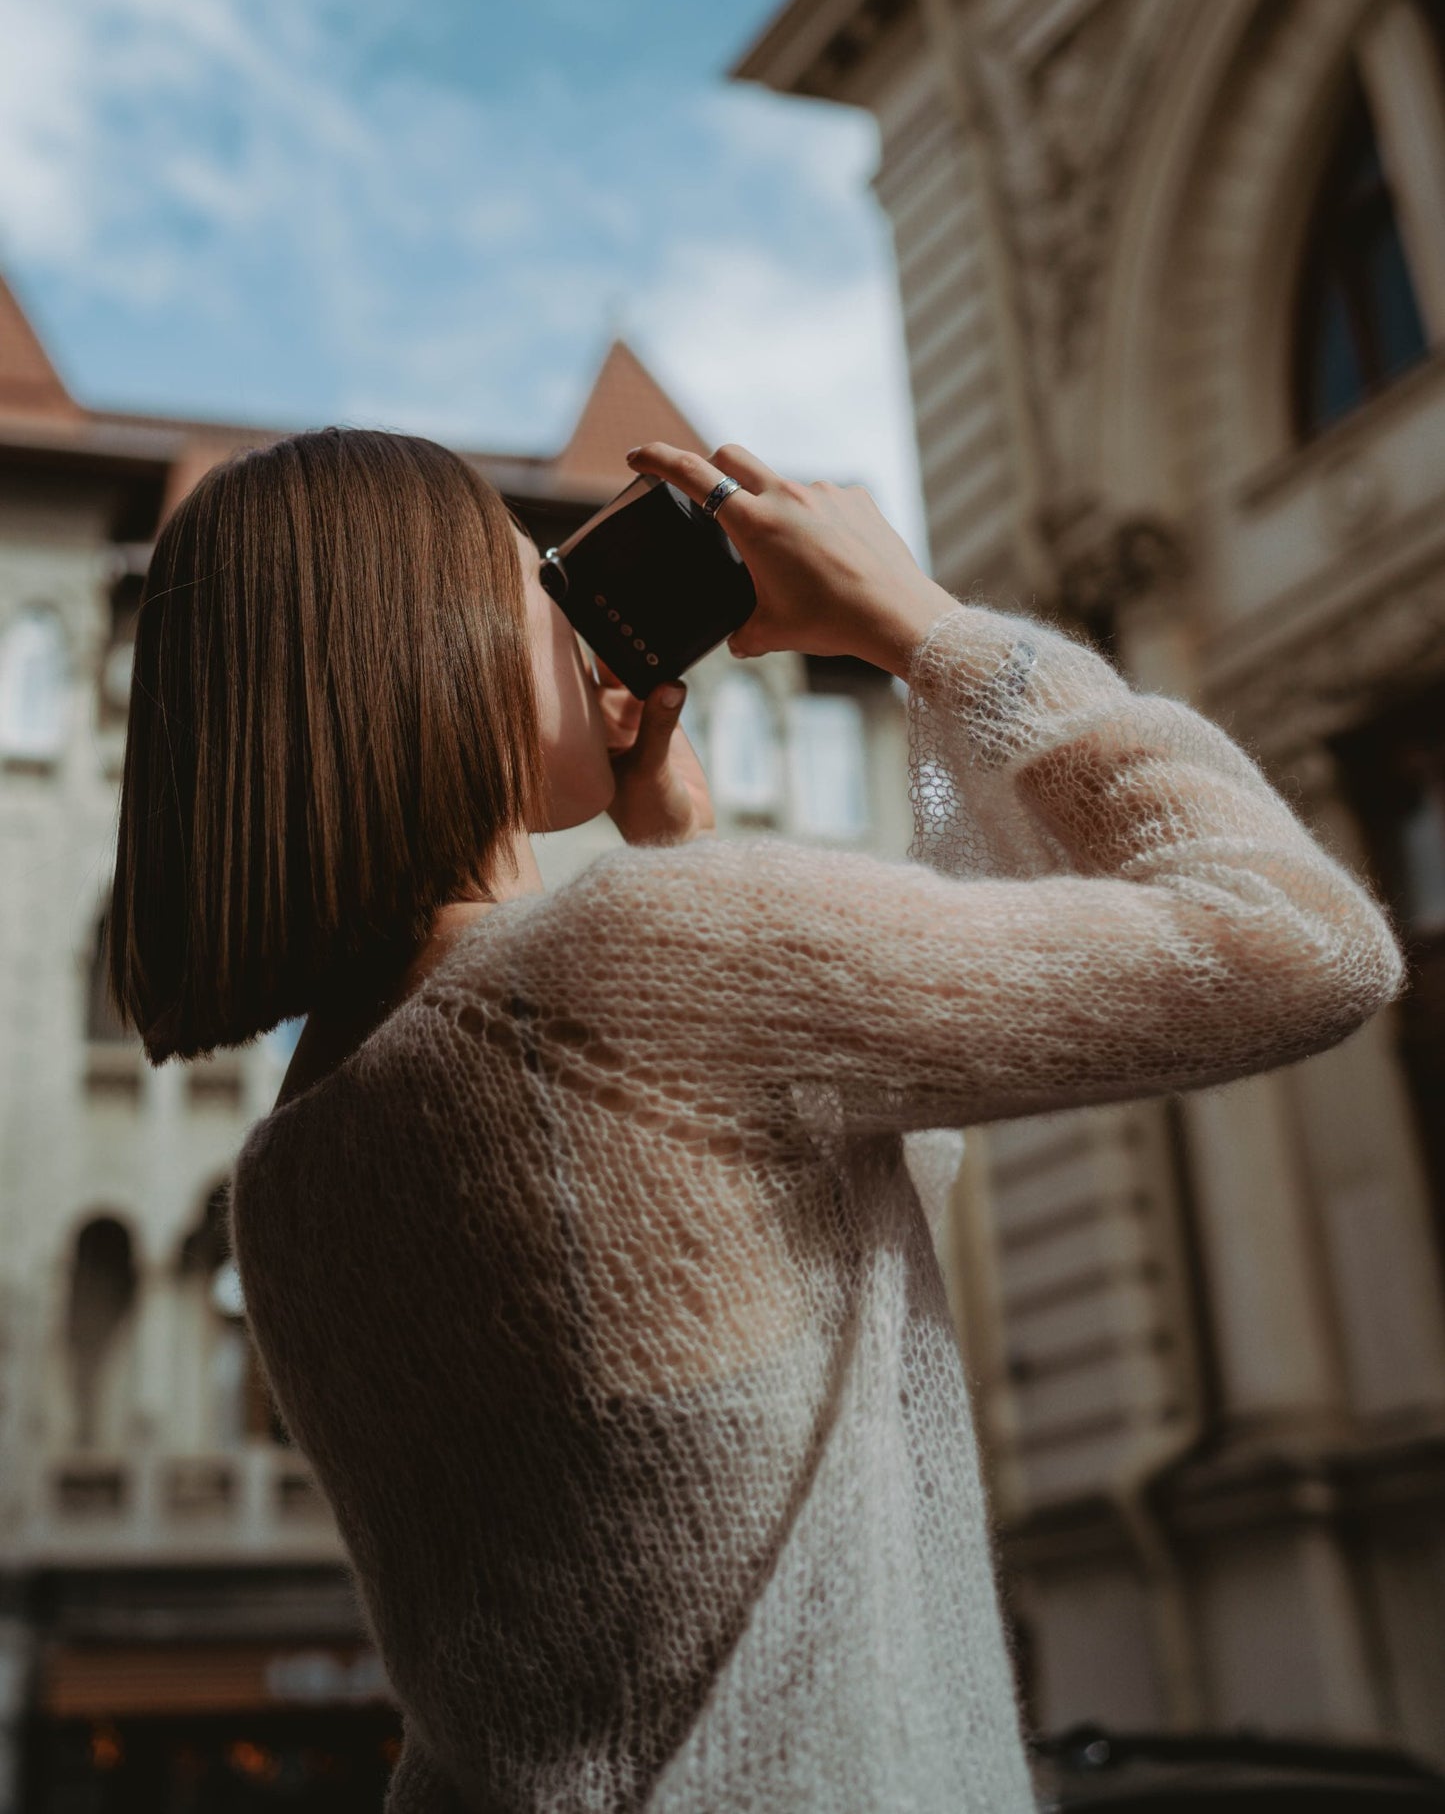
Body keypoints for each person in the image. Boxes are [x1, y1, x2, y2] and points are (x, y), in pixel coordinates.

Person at [109, 427, 1401, 1814]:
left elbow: (806, 1270)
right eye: (531, 578)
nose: (579, 614)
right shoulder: (624, 967)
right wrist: (933, 631)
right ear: (428, 645)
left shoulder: (290, 1168)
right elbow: (1306, 946)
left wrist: (683, 863)